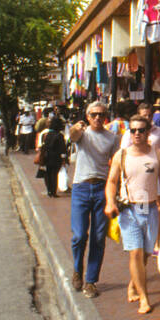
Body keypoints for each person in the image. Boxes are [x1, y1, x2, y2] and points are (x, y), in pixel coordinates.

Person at [104, 115, 160, 315]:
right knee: (135, 252)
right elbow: (111, 181)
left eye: (140, 130)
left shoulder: (158, 155)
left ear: (148, 131)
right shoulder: (121, 155)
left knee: (144, 254)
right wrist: (109, 202)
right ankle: (144, 297)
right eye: (132, 130)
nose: (136, 134)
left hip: (150, 208)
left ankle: (134, 284)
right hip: (129, 210)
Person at [68, 101, 121, 298]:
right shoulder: (82, 134)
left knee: (98, 237)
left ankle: (90, 281)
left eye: (101, 114)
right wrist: (76, 127)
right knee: (79, 235)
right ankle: (76, 270)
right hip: (81, 187)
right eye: (94, 114)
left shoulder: (112, 138)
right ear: (88, 116)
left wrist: (115, 193)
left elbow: (116, 164)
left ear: (106, 116)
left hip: (102, 188)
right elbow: (72, 137)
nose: (98, 118)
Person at [40, 115, 67, 198]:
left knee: (47, 174)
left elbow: (43, 146)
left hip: (47, 157)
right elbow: (63, 149)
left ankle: (49, 191)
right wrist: (64, 159)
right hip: (56, 158)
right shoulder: (60, 135)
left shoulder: (47, 134)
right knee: (54, 174)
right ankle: (54, 192)